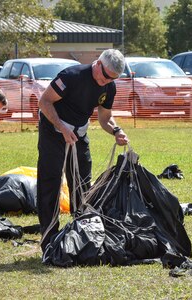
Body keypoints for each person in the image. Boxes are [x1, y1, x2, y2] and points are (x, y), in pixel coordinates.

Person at [37, 49, 129, 250]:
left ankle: (81, 231)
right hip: (53, 130)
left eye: (113, 79)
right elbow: (44, 101)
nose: (106, 81)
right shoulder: (71, 76)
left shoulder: (109, 87)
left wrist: (116, 131)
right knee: (50, 180)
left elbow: (105, 118)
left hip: (79, 134)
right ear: (97, 64)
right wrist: (61, 128)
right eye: (105, 76)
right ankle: (49, 236)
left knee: (82, 182)